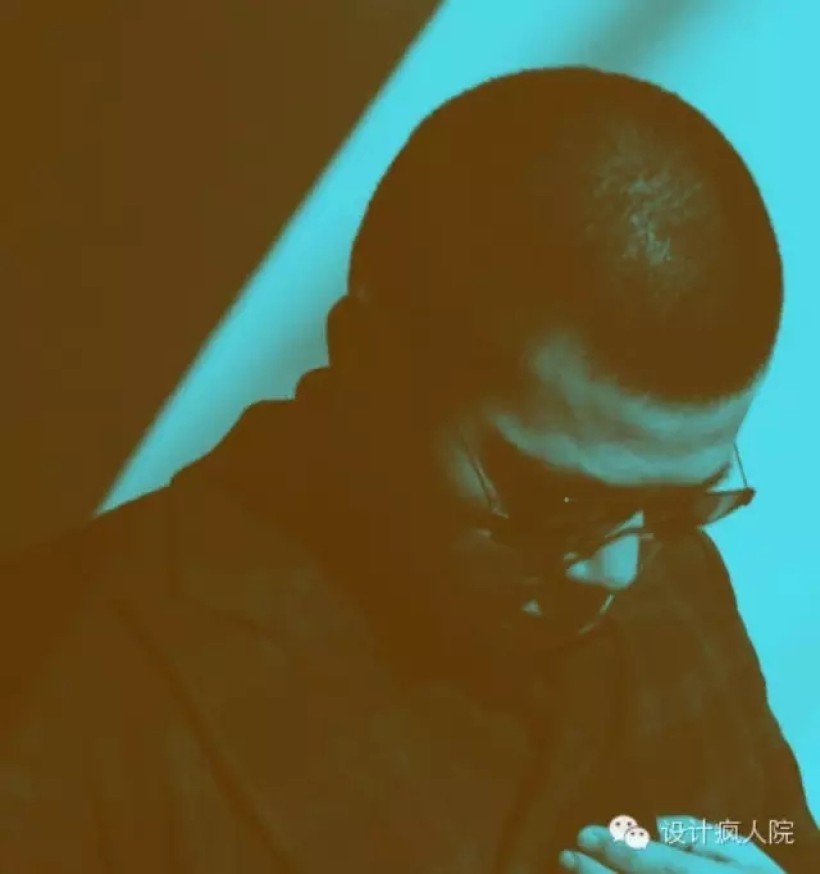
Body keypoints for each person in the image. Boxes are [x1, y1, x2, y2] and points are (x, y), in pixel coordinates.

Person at [0, 66, 816, 874]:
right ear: (369, 361)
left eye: (678, 506)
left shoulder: (658, 558)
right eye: (556, 499)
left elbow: (780, 837)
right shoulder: (59, 683)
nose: (617, 572)